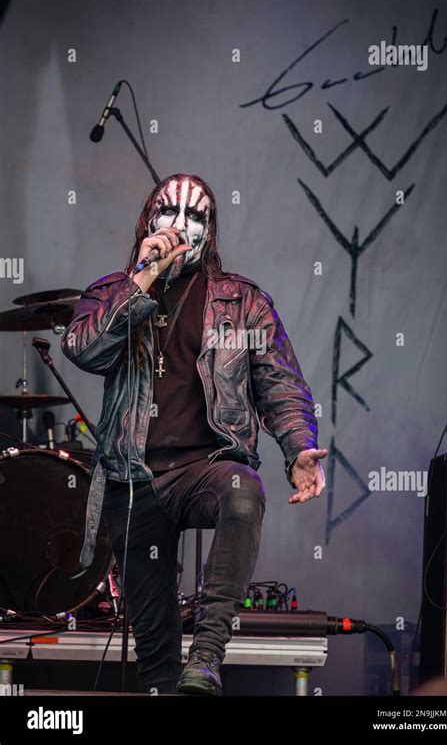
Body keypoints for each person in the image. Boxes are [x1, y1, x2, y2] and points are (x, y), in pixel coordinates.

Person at [61, 172, 327, 696]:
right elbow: (84, 349)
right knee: (155, 663)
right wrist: (138, 280)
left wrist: (298, 448)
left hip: (205, 468)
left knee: (243, 492)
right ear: (147, 221)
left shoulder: (242, 302)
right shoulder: (111, 293)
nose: (180, 226)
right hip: (133, 478)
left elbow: (280, 384)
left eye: (197, 216)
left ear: (210, 230)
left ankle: (206, 656)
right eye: (168, 212)